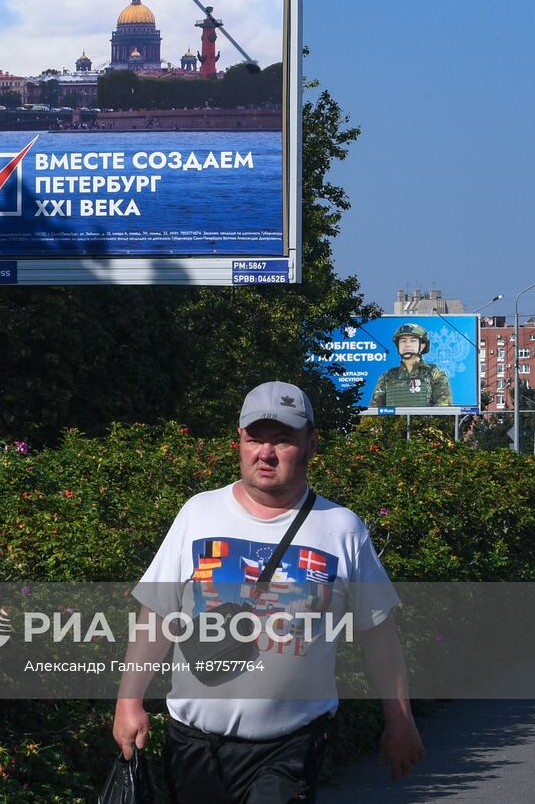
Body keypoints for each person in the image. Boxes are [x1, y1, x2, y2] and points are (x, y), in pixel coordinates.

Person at [113, 381, 423, 803]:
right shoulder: (199, 513)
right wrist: (128, 701)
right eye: (255, 439)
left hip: (290, 748)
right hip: (193, 748)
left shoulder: (341, 529)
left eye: (283, 440)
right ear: (239, 441)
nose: (266, 453)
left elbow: (377, 634)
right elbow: (158, 613)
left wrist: (400, 720)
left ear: (312, 445)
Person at [369, 323, 452, 407]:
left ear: (422, 346)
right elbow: (374, 411)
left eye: (413, 341)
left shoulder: (435, 373)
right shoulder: (387, 376)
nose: (407, 344)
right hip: (392, 420)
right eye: (403, 341)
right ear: (398, 346)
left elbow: (443, 409)